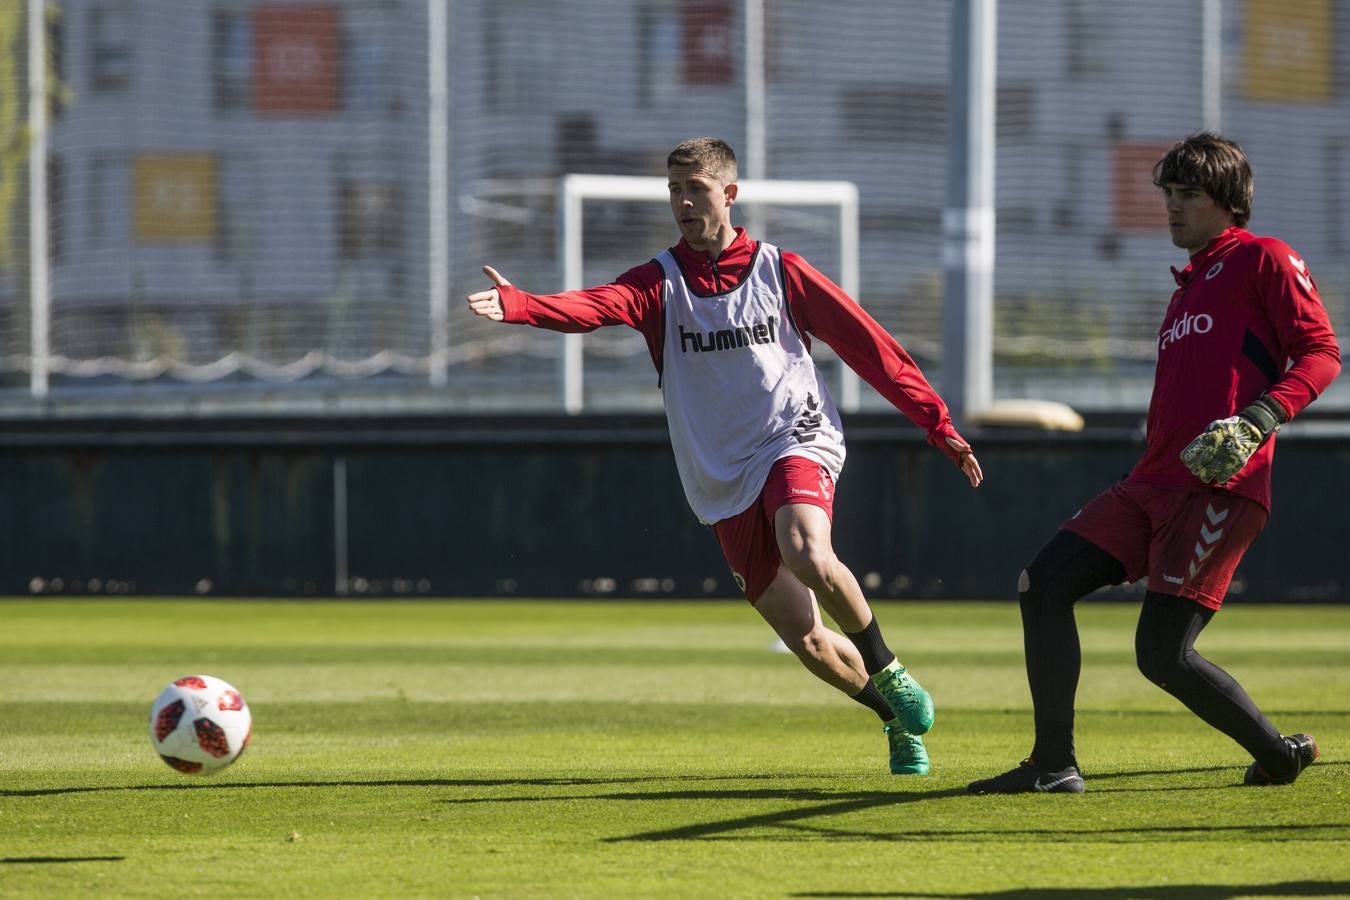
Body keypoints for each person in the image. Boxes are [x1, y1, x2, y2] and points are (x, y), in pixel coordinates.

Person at [467, 137, 983, 775]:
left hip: (794, 436)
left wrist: (937, 422)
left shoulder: (780, 269)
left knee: (806, 548)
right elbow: (594, 307)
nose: (683, 202)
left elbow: (868, 344)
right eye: (674, 191)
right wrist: (522, 305)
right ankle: (893, 718)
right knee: (809, 641)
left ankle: (890, 666)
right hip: (720, 473)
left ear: (729, 194)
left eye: (697, 189)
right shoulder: (659, 282)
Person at [968, 132, 1341, 794]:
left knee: (1162, 656)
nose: (1172, 207)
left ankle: (1277, 757)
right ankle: (1053, 765)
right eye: (1167, 194)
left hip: (1219, 490)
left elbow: (1319, 352)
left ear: (1226, 201)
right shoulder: (1188, 287)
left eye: (1188, 195)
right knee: (1044, 584)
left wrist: (1259, 419)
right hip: (1150, 483)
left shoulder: (1264, 258)